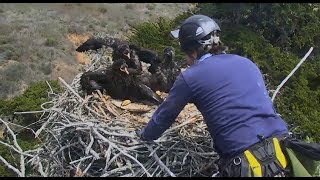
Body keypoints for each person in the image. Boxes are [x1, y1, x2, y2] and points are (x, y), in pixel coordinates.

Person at [135, 14, 319, 177]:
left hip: (246, 164)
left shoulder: (190, 76)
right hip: (285, 155)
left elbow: (164, 117)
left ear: (192, 50)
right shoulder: (246, 62)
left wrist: (144, 136)